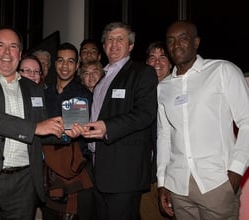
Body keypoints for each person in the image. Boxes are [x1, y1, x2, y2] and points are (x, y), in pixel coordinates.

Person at [0, 25, 80, 220]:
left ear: (20, 53)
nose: (7, 52)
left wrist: (65, 133)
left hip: (24, 184)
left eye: (13, 46)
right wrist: (35, 127)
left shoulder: (33, 89)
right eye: (0, 45)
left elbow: (41, 133)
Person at [157, 20, 249, 219]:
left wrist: (236, 171)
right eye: (171, 40)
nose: (176, 45)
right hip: (178, 186)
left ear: (196, 42)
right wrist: (163, 181)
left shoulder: (222, 71)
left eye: (183, 38)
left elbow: (247, 121)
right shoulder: (163, 88)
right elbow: (164, 136)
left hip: (217, 182)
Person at [81, 22, 158, 220]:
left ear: (131, 46)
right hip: (98, 168)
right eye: (110, 39)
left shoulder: (142, 73)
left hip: (124, 172)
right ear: (104, 45)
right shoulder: (102, 76)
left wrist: (107, 127)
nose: (114, 44)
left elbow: (145, 114)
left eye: (120, 39)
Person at [42, 42, 94, 220]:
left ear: (77, 65)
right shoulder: (44, 94)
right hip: (47, 169)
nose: (65, 66)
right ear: (55, 63)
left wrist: (83, 133)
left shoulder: (85, 95)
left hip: (76, 168)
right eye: (61, 61)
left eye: (71, 61)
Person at [139, 41, 172, 220]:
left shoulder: (180, 90)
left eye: (162, 57)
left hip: (174, 175)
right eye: (152, 58)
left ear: (171, 62)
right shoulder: (140, 94)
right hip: (145, 176)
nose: (157, 62)